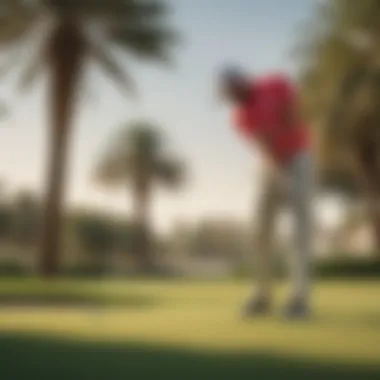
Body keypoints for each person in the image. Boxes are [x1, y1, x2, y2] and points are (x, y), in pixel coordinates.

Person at [219, 65, 314, 319]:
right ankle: (261, 296)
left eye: (231, 90)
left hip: (299, 157)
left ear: (242, 80)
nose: (231, 98)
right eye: (227, 95)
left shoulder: (275, 83)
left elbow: (294, 114)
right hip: (271, 163)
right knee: (259, 230)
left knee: (299, 231)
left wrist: (283, 143)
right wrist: (278, 171)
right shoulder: (240, 117)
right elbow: (264, 146)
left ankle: (299, 299)